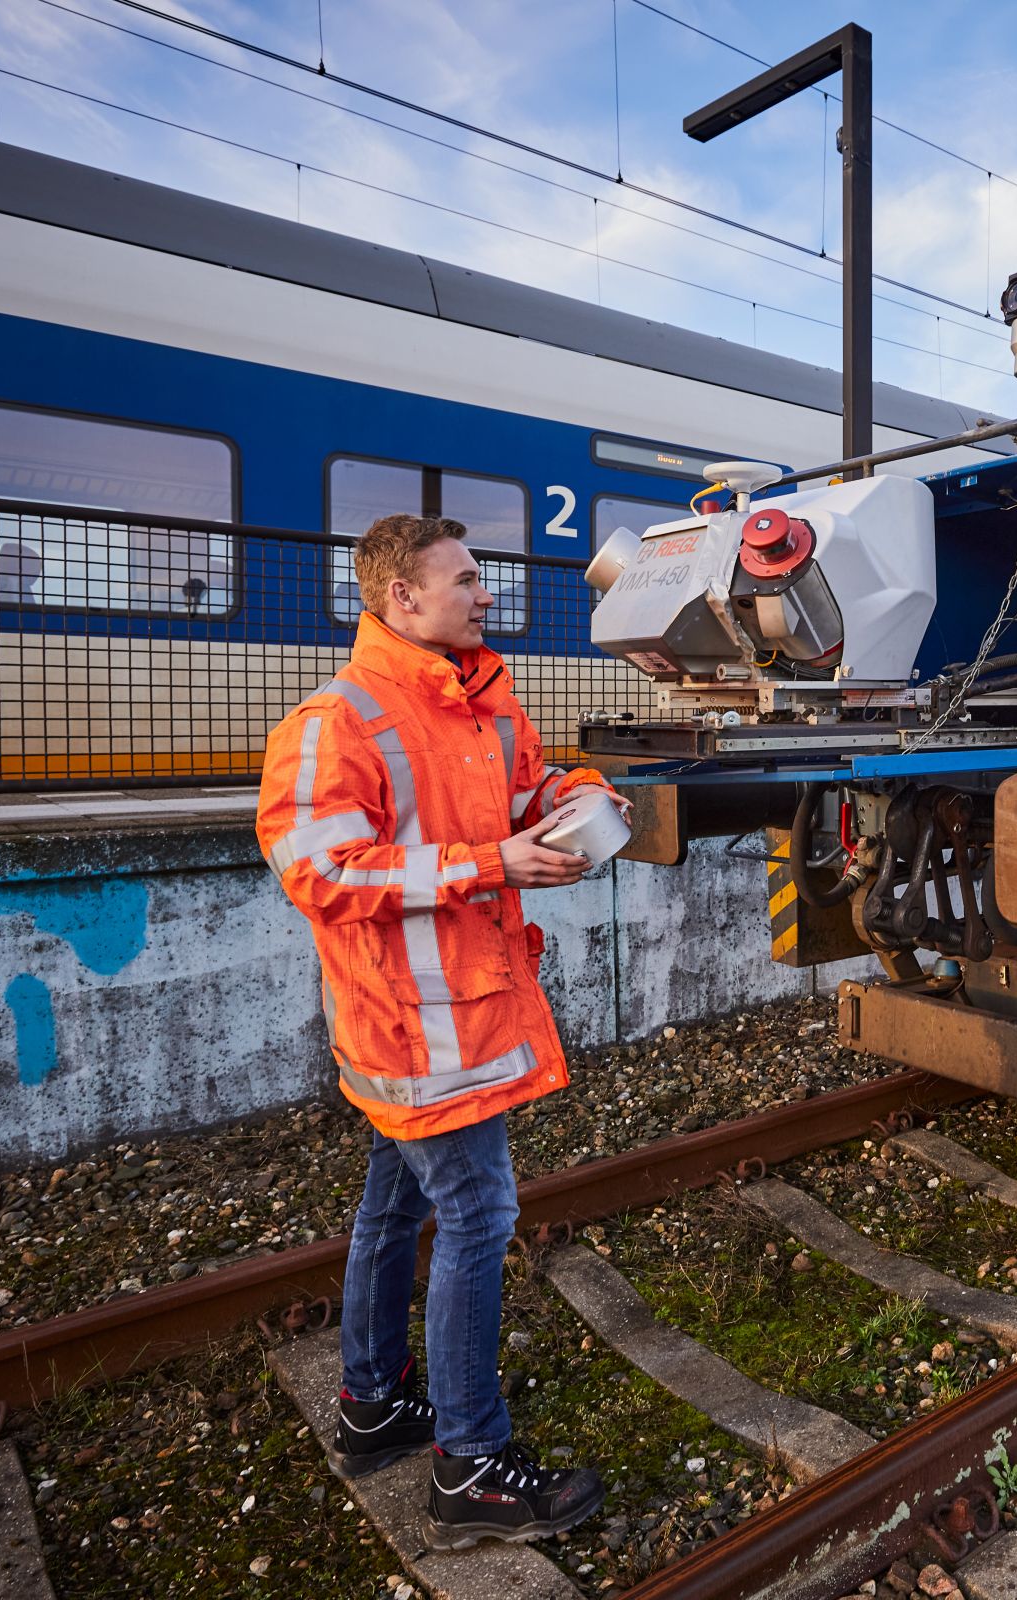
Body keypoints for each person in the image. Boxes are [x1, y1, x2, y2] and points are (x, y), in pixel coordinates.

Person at [256, 513, 624, 1549]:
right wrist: (491, 864)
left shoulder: (480, 703)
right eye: (465, 580)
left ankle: (374, 1404)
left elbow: (528, 790)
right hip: (417, 1030)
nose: (486, 595)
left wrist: (582, 797)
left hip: (448, 1017)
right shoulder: (337, 721)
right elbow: (319, 874)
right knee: (475, 1218)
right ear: (399, 600)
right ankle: (471, 1464)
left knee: (390, 1206)